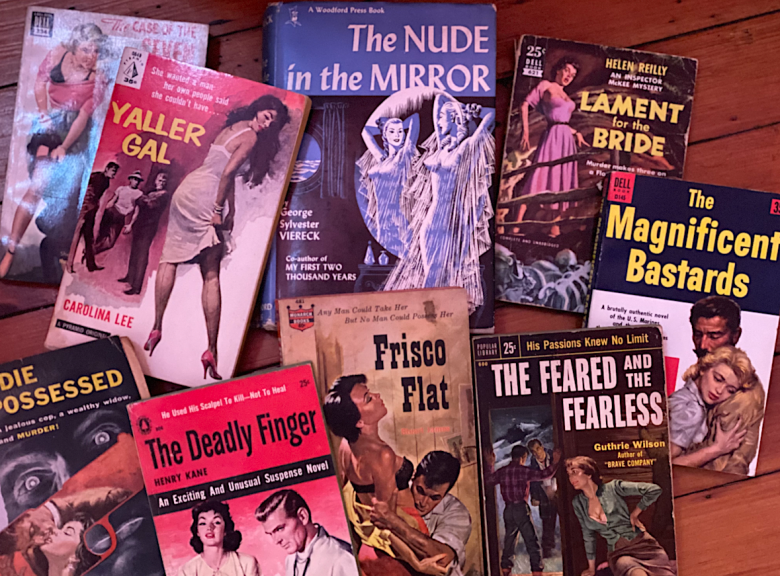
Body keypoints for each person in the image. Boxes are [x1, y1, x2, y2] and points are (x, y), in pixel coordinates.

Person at [144, 95, 290, 379]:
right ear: (258, 109)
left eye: (274, 121)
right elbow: (226, 174)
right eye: (267, 115)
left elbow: (223, 172)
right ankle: (211, 349)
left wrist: (231, 207)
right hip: (206, 197)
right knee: (211, 273)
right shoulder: (251, 138)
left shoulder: (233, 127)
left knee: (168, 259)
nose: (268, 122)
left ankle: (156, 327)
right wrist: (218, 210)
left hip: (188, 190)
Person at [0, 23, 107, 279]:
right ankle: (11, 252)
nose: (90, 56)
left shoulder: (99, 78)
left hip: (77, 136)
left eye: (95, 51)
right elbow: (40, 83)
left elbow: (83, 117)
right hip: (49, 126)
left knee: (72, 197)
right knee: (37, 187)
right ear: (74, 46)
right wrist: (43, 113)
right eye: (85, 49)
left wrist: (64, 147)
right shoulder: (58, 53)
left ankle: (62, 254)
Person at [384, 95, 494, 313]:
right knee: (432, 276)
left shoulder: (467, 147)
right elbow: (440, 101)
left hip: (452, 222)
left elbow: (490, 116)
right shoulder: (442, 148)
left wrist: (470, 109)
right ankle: (433, 320)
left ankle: (429, 320)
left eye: (444, 118)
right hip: (432, 220)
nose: (439, 121)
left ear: (453, 119)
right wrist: (455, 108)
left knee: (440, 278)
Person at [322, 375, 439, 575]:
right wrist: (417, 563)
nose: (376, 395)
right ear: (359, 421)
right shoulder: (382, 455)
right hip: (404, 535)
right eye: (368, 398)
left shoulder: (346, 446)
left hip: (370, 536)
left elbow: (348, 494)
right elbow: (388, 523)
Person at [510, 58, 588, 233]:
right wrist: (525, 132)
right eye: (567, 71)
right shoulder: (546, 85)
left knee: (561, 180)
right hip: (552, 137)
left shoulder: (566, 95)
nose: (569, 76)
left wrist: (576, 132)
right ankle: (515, 225)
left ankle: (554, 228)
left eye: (573, 75)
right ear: (558, 70)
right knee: (538, 175)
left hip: (566, 140)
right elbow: (525, 104)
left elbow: (563, 122)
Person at [565, 456, 675, 576]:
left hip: (645, 547)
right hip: (619, 553)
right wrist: (591, 568)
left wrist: (635, 513)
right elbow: (588, 536)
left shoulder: (613, 488)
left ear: (589, 473)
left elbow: (654, 490)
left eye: (574, 472)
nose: (571, 478)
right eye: (569, 474)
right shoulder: (578, 503)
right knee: (632, 570)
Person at [370, 451, 471, 576]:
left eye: (434, 498)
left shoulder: (457, 514)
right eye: (420, 491)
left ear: (445, 494)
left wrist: (394, 523)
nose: (423, 503)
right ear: (413, 476)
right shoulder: (396, 492)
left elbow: (440, 559)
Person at [669, 346, 763, 473]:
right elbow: (667, 465)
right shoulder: (692, 410)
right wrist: (718, 449)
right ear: (703, 369)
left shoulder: (686, 397)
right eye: (718, 379)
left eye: (730, 390)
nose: (719, 391)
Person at [484, 444, 560, 576]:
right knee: (531, 541)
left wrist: (490, 465)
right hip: (521, 508)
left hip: (508, 509)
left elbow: (489, 480)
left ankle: (506, 570)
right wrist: (556, 462)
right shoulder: (524, 471)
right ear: (523, 458)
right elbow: (545, 474)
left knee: (509, 541)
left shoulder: (503, 471)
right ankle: (537, 571)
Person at [356, 113, 420, 256]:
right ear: (384, 135)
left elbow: (415, 118)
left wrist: (396, 124)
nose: (397, 135)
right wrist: (385, 126)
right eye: (392, 132)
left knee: (406, 256)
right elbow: (365, 131)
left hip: (397, 219)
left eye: (400, 131)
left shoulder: (404, 156)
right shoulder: (381, 158)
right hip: (382, 220)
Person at [255, 489, 358, 576]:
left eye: (280, 529)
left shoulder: (341, 557)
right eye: (271, 533)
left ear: (302, 516)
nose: (276, 541)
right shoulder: (290, 560)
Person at [119, 171, 171, 295]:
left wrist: (140, 198)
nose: (161, 182)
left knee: (142, 255)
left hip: (148, 228)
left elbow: (150, 204)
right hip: (140, 226)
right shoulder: (151, 192)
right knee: (135, 251)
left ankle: (137, 286)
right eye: (159, 180)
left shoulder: (164, 195)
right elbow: (141, 204)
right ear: (155, 181)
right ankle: (130, 277)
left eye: (164, 181)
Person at [179, 500, 259, 576]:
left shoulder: (247, 563)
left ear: (225, 530)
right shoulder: (187, 571)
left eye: (217, 522)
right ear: (197, 532)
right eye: (203, 523)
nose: (210, 528)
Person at [67, 162, 119, 272]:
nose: (114, 174)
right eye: (113, 171)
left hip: (91, 211)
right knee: (76, 236)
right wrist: (84, 207)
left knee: (89, 238)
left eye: (115, 172)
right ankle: (69, 265)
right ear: (107, 169)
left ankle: (91, 265)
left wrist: (95, 206)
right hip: (85, 209)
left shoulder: (106, 182)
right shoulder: (95, 176)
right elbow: (84, 189)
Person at [92, 170, 145, 255]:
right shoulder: (121, 189)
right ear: (130, 179)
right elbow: (113, 200)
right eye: (135, 179)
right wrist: (105, 210)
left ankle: (90, 251)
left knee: (110, 242)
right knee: (101, 236)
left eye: (138, 180)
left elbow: (136, 210)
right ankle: (90, 255)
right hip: (111, 212)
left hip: (120, 216)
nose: (136, 182)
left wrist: (130, 225)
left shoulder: (139, 194)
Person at [527, 439, 557, 559]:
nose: (537, 453)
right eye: (533, 452)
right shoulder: (533, 464)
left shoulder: (553, 456)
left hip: (558, 493)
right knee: (547, 522)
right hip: (543, 495)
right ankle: (547, 549)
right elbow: (532, 482)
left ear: (542, 447)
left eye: (538, 449)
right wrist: (534, 497)